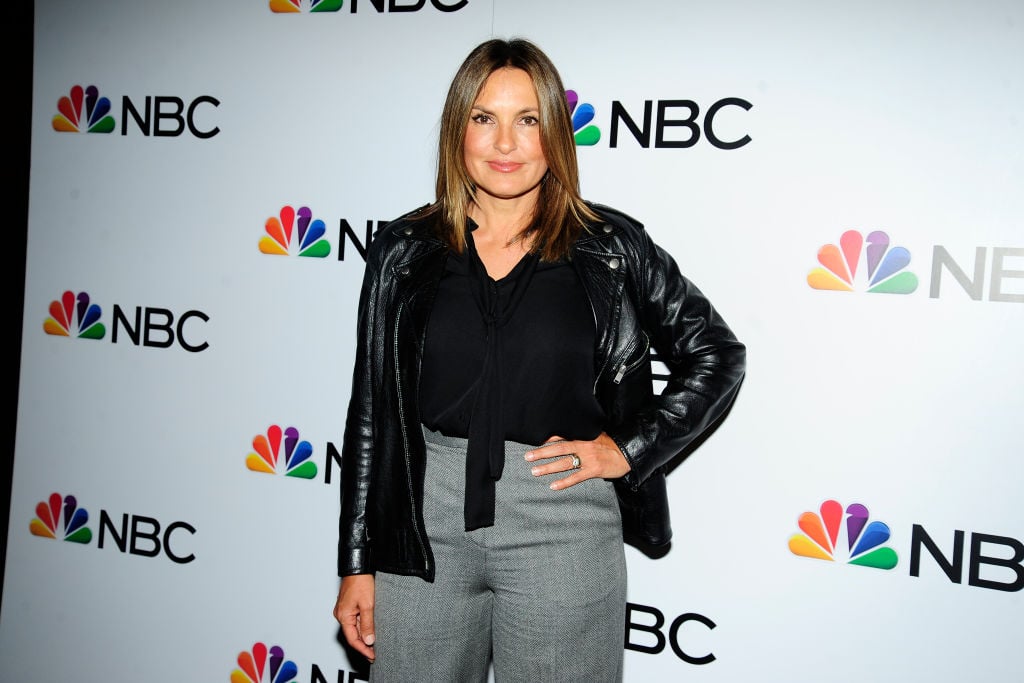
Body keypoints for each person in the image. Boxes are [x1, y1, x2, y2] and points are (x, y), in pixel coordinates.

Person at [333, 37, 746, 682]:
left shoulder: (610, 246)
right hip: (422, 517)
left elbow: (716, 355)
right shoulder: (403, 249)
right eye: (484, 118)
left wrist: (625, 449)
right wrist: (357, 561)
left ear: (555, 132)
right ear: (457, 129)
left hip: (563, 517)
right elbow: (371, 412)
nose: (505, 143)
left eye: (527, 120)